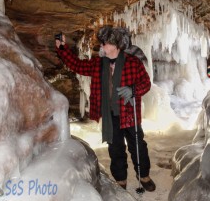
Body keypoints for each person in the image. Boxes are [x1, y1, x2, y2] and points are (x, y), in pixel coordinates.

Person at [55, 26, 156, 191]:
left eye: (106, 43)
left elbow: (146, 83)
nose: (102, 46)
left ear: (116, 45)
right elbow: (77, 65)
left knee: (138, 145)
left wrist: (133, 90)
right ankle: (120, 180)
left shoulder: (132, 62)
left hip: (129, 113)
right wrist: (62, 48)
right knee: (115, 148)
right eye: (102, 43)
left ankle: (143, 175)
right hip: (110, 115)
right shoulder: (98, 64)